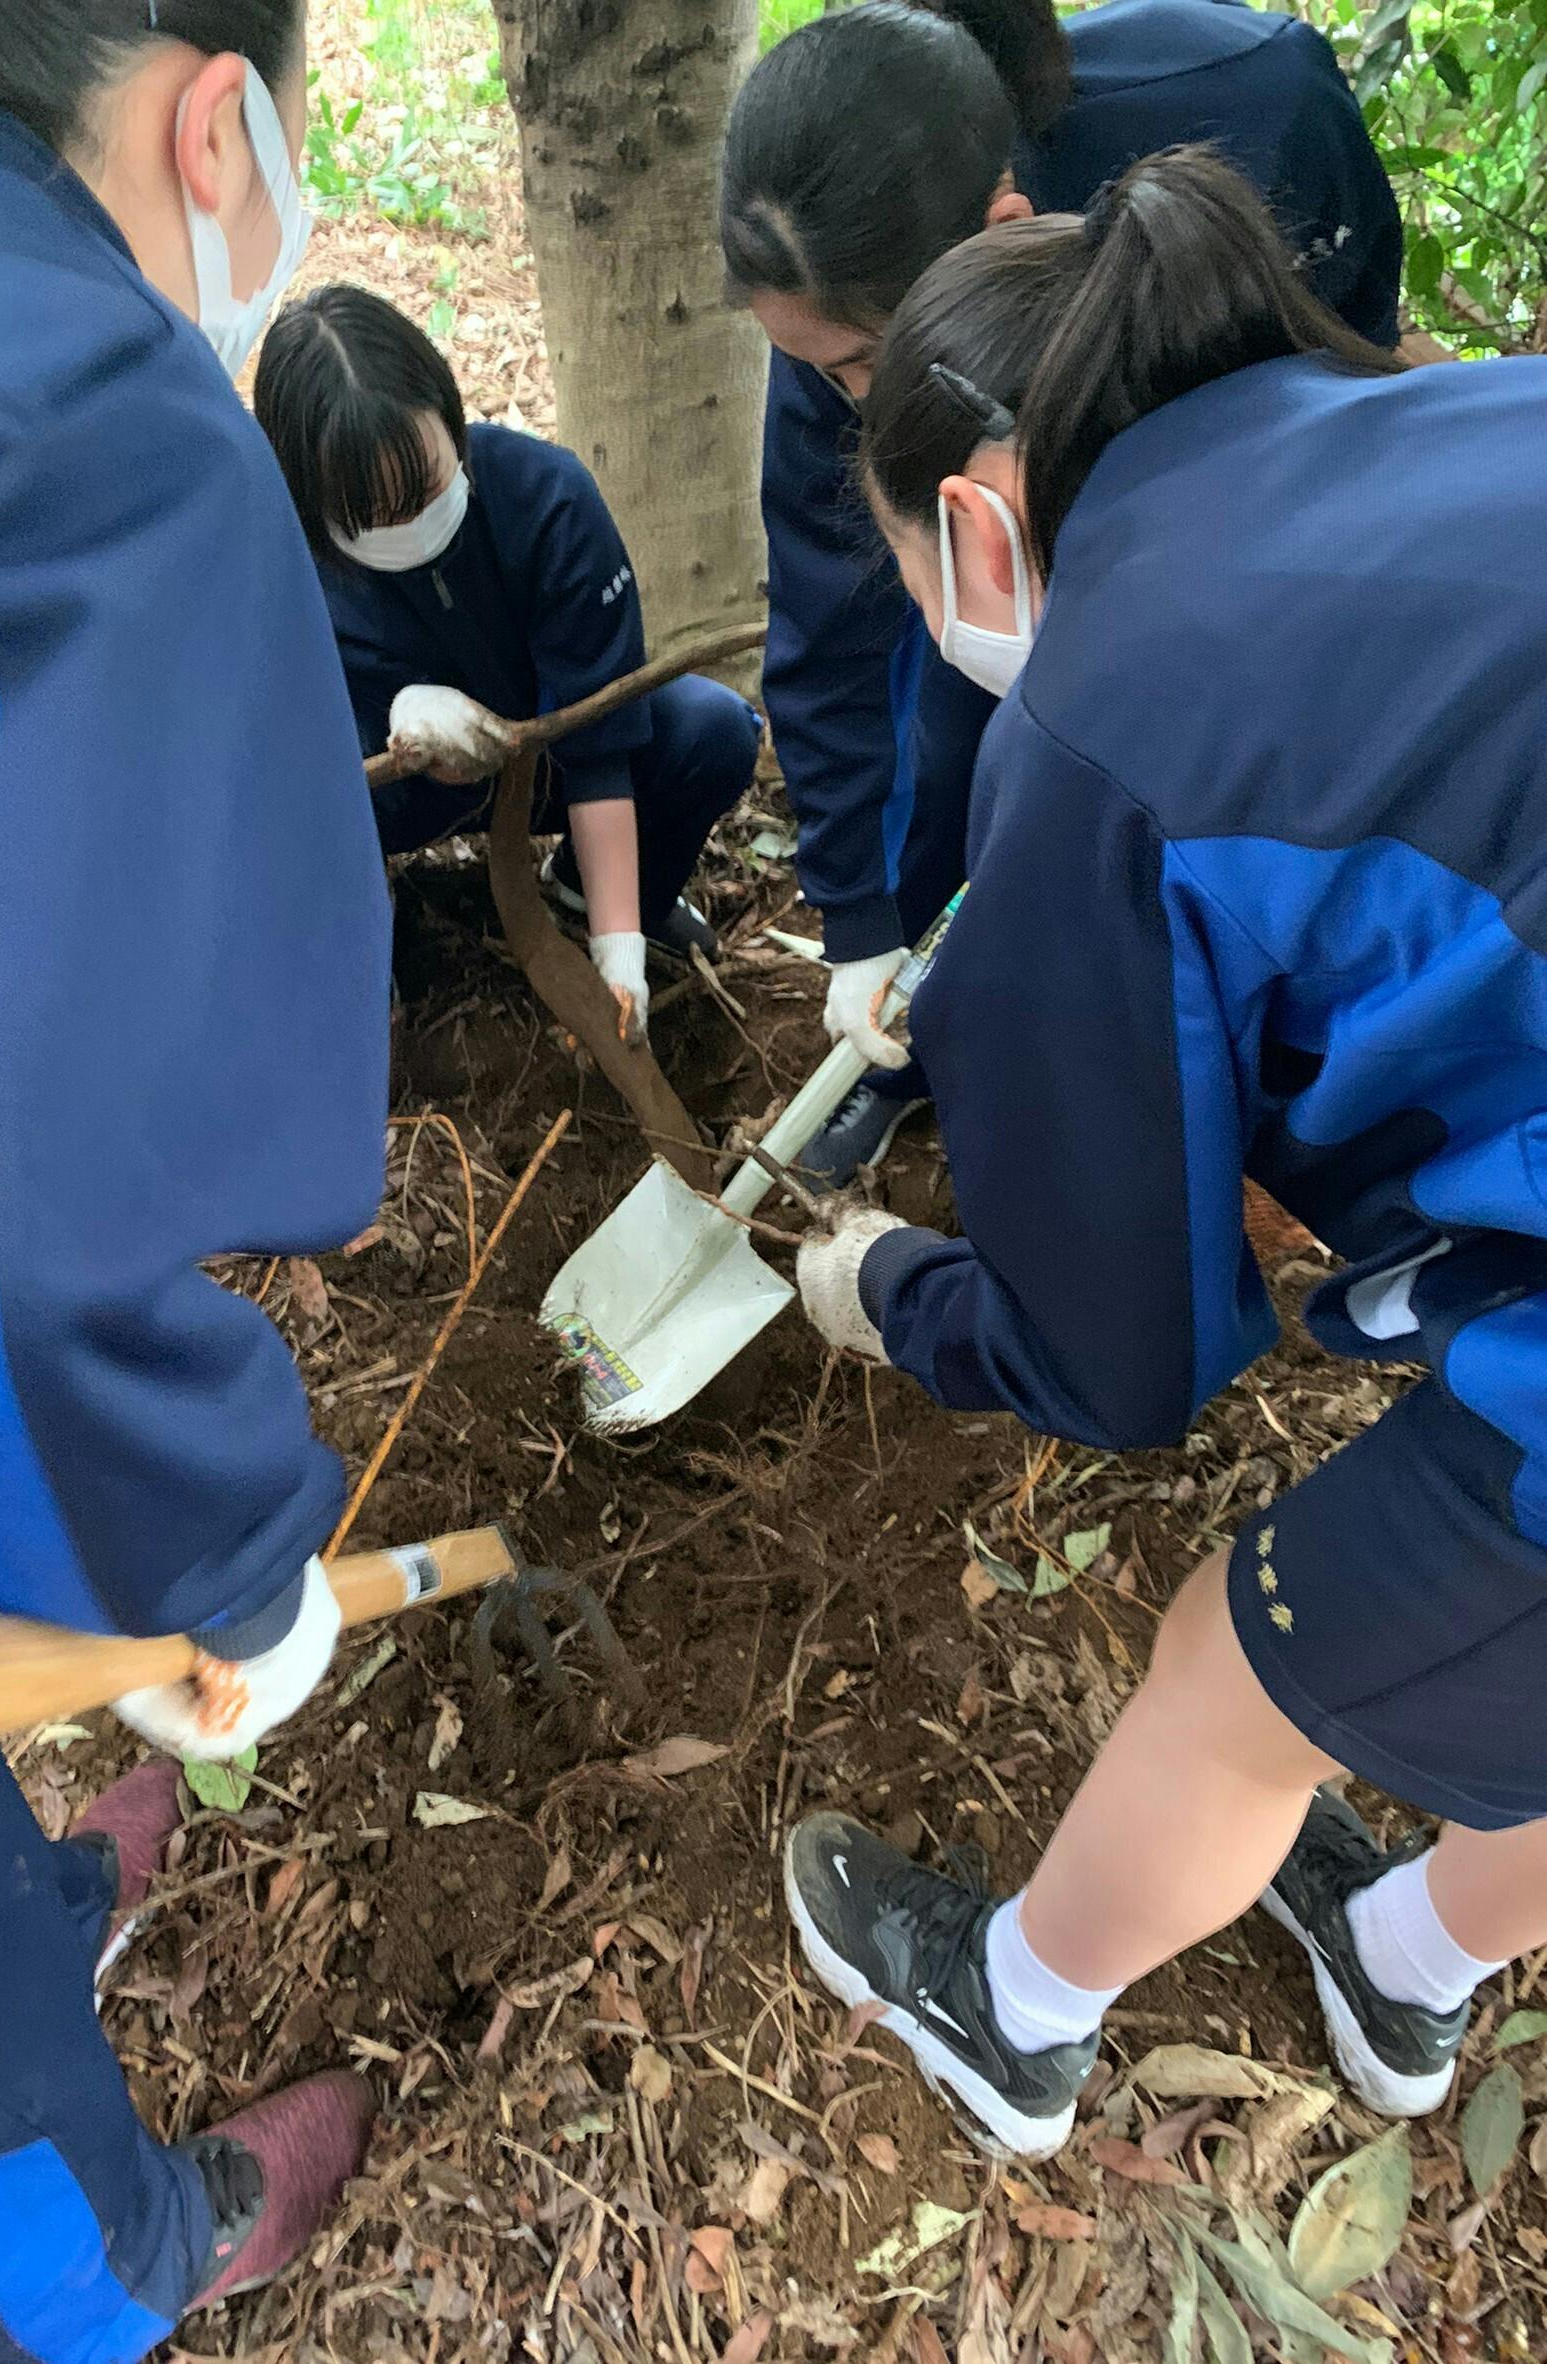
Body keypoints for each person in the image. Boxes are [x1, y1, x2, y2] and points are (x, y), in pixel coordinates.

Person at [784, 145, 1547, 2163]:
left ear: (973, 526)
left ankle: (1008, 2012)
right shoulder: (1433, 412)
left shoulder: (1095, 729)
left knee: (1235, 1659)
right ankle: (1401, 1962)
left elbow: (1122, 1361)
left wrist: (889, 1287)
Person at [0, 2, 397, 2352]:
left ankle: (11, 1900)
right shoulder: (69, 410)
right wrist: (210, 1579)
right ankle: (118, 2262)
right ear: (221, 121)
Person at [720, 0, 1403, 1186]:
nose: (845, 396)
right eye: (820, 371)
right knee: (963, 731)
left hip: (1239, 520)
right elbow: (831, 634)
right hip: (1032, 520)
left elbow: (1341, 392)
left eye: (865, 365)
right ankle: (918, 1050)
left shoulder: (1259, 106)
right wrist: (859, 920)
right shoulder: (835, 328)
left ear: (1003, 229)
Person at [255, 286, 763, 1044]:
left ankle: (583, 891)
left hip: (543, 757)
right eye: (375, 515)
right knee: (281, 809)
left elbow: (600, 750)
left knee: (710, 730)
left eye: (427, 486)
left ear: (448, 413)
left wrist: (617, 949)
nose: (411, 524)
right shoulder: (281, 560)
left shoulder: (545, 499)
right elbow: (266, 752)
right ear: (310, 495)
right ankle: (359, 949)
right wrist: (395, 724)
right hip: (389, 796)